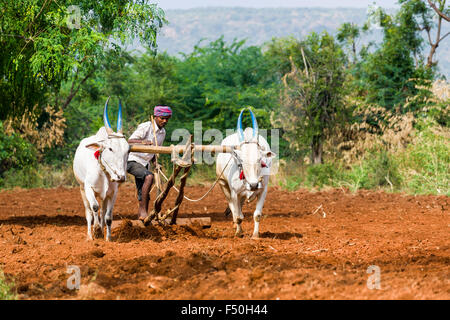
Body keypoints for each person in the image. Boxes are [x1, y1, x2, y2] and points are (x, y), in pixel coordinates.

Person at [127, 106, 172, 221]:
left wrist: (156, 163)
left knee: (144, 192)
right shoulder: (146, 127)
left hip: (145, 163)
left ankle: (142, 219)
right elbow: (129, 141)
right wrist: (143, 142)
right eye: (162, 118)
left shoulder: (162, 132)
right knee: (149, 177)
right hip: (133, 160)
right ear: (156, 117)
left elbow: (155, 151)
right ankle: (143, 212)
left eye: (167, 118)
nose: (165, 121)